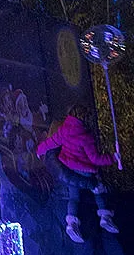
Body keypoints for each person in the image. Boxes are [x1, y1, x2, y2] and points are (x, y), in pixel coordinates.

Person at [36, 103, 120, 243]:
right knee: (98, 190)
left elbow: (51, 142)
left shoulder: (63, 129)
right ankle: (105, 216)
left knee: (74, 197)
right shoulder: (86, 137)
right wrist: (113, 158)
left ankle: (71, 223)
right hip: (86, 170)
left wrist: (40, 150)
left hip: (69, 167)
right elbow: (95, 159)